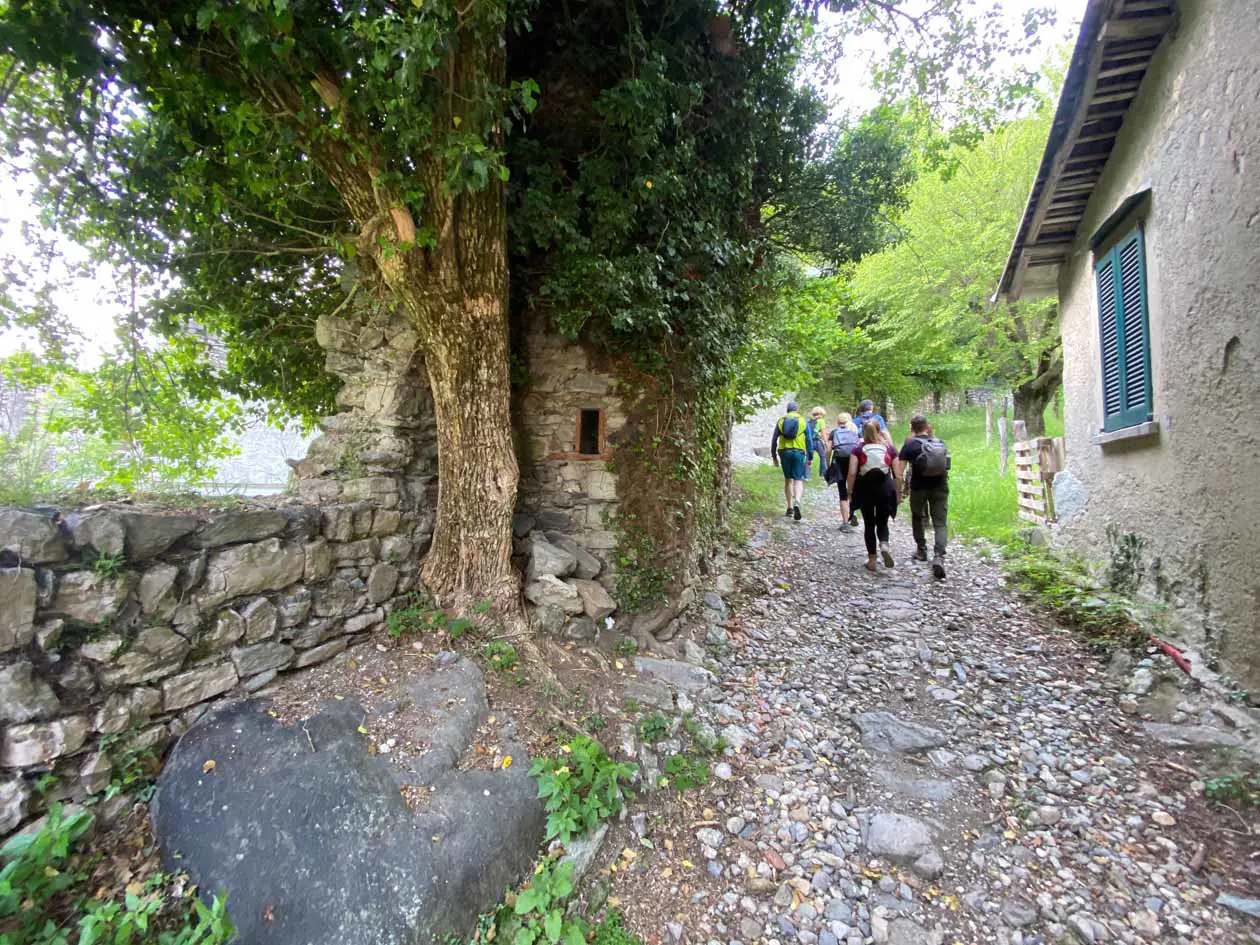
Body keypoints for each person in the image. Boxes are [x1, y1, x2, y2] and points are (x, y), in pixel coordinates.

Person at [898, 414, 951, 579]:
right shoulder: (939, 443)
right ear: (927, 426)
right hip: (940, 486)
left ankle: (921, 550)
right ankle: (939, 557)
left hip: (919, 488)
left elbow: (899, 472)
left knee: (917, 517)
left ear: (911, 428)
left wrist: (899, 491)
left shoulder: (909, 444)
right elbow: (947, 466)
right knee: (940, 523)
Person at [846, 419, 902, 572]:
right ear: (879, 431)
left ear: (863, 431)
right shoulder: (890, 449)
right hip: (885, 488)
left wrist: (850, 492)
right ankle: (884, 544)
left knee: (869, 524)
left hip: (865, 489)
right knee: (882, 521)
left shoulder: (857, 449)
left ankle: (872, 560)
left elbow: (852, 473)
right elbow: (898, 474)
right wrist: (898, 493)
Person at [770, 400, 807, 521]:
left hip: (784, 452)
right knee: (798, 479)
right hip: (799, 452)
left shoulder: (781, 421)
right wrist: (810, 456)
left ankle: (790, 507)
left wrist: (774, 456)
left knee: (788, 480)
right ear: (797, 410)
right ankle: (797, 501)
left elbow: (774, 439)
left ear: (787, 409)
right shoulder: (802, 421)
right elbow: (810, 441)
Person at [824, 412, 860, 530]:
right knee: (853, 489)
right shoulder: (855, 431)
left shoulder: (834, 432)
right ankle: (853, 513)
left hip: (839, 462)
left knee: (842, 491)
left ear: (838, 422)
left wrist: (828, 463)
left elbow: (828, 449)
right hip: (853, 462)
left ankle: (845, 523)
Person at [805, 406, 828, 479]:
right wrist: (826, 442)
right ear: (822, 413)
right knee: (823, 456)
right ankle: (823, 474)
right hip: (817, 442)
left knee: (808, 458)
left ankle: (806, 475)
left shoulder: (809, 421)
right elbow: (823, 433)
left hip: (808, 441)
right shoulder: (821, 421)